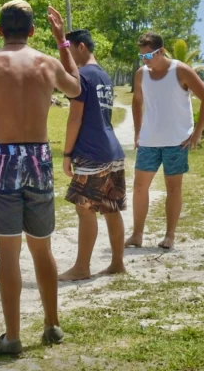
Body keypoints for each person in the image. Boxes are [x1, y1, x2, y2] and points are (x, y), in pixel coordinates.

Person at [0, 1, 81, 356]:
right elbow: (75, 89)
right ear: (32, 30)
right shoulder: (47, 62)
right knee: (41, 247)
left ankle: (12, 336)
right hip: (39, 158)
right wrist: (62, 43)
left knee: (8, 253)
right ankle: (52, 324)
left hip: (3, 159)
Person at [126, 32, 204, 250]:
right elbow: (137, 101)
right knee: (139, 187)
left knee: (173, 189)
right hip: (148, 141)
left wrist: (197, 133)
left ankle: (169, 235)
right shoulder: (141, 74)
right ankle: (137, 234)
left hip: (176, 141)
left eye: (149, 55)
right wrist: (137, 132)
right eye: (141, 56)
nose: (145, 60)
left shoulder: (180, 70)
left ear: (161, 51)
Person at [58, 29, 127, 282]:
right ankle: (117, 263)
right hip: (113, 150)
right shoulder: (104, 76)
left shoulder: (84, 76)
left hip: (92, 152)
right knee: (110, 208)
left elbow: (75, 117)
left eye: (71, 48)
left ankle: (81, 267)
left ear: (82, 47)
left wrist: (67, 154)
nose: (70, 57)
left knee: (84, 210)